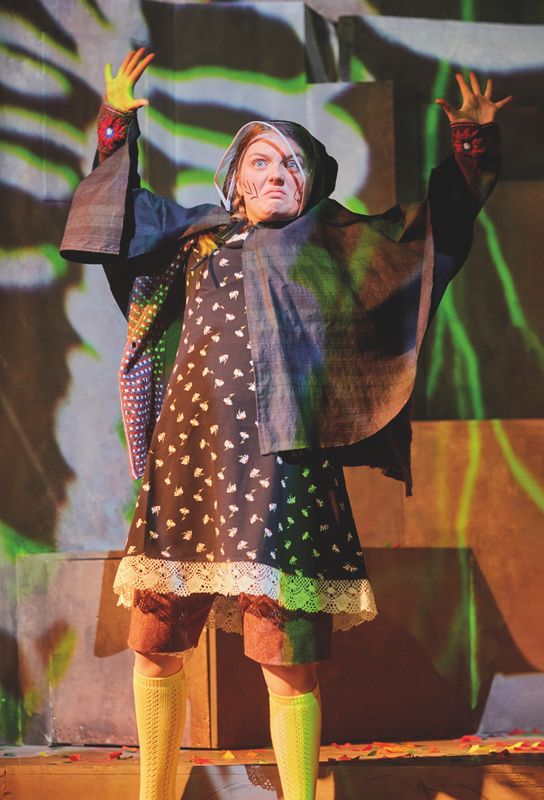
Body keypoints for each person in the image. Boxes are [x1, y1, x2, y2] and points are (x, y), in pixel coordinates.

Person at [60, 48, 511, 800]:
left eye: (292, 166)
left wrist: (471, 147)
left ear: (309, 188)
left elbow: (435, 235)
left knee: (286, 656)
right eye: (262, 162)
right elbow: (119, 225)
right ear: (236, 180)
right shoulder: (195, 239)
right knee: (156, 642)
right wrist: (114, 130)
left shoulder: (334, 247)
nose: (276, 174)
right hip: (189, 462)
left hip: (283, 467)